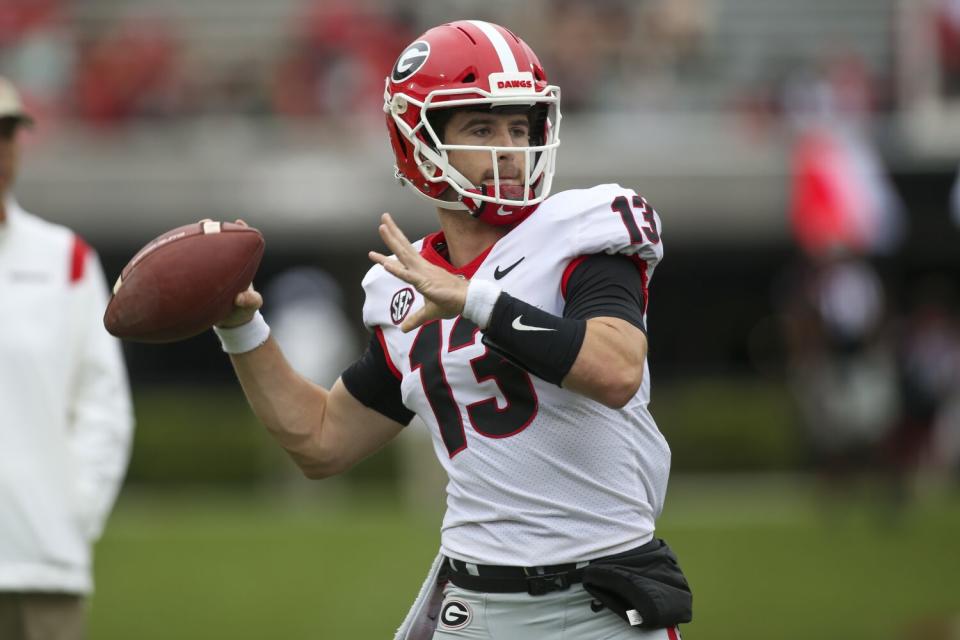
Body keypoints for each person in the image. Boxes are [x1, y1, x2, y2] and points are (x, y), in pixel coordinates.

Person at [212, 21, 691, 639]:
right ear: (419, 141)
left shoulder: (581, 234)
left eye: (520, 127)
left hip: (597, 604)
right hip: (471, 605)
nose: (511, 147)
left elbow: (617, 369)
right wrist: (241, 328)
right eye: (482, 127)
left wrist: (475, 300)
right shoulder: (404, 284)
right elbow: (322, 440)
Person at [0, 77, 135, 640]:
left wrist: (69, 512)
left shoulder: (67, 259)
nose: (2, 148)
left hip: (41, 567)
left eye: (8, 132)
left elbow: (104, 407)